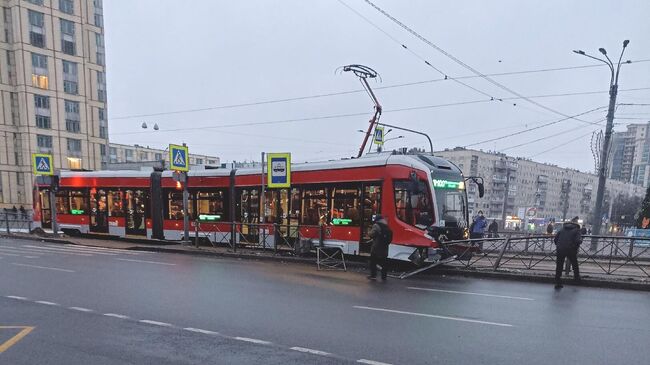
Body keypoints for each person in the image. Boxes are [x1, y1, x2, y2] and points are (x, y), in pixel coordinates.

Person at [554, 216, 583, 289]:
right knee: (574, 264)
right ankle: (577, 279)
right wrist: (577, 243)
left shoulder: (562, 229)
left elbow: (555, 239)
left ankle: (558, 282)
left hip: (560, 249)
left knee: (559, 265)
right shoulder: (577, 230)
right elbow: (578, 241)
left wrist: (559, 245)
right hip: (571, 249)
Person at [368, 215, 392, 281]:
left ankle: (373, 275)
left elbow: (371, 234)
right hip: (384, 248)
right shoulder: (386, 226)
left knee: (373, 262)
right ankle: (384, 276)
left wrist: (369, 231)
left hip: (376, 247)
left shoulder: (376, 225)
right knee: (384, 263)